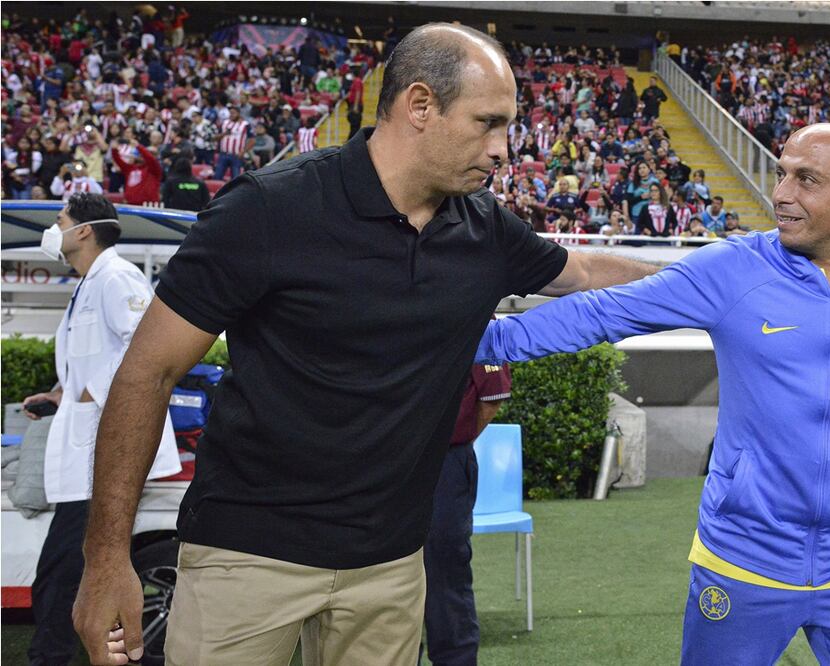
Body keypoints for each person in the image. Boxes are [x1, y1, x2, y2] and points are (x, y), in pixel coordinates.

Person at [72, 24, 659, 666]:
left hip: (391, 566)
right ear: (419, 106)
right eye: (487, 123)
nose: (502, 150)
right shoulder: (269, 210)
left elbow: (588, 274)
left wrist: (732, 272)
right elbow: (145, 374)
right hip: (247, 556)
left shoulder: (484, 228)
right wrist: (106, 558)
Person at [477, 123, 830, 666]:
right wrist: (478, 343)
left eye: (806, 180)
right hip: (742, 559)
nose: (782, 193)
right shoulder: (734, 269)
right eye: (782, 173)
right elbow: (604, 312)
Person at [22, 193, 181, 666]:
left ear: (84, 231)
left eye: (59, 221)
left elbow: (147, 343)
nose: (54, 230)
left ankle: (48, 658)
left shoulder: (117, 275)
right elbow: (92, 354)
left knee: (62, 572)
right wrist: (60, 392)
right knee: (69, 570)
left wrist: (92, 390)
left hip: (106, 448)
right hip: (85, 446)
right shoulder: (89, 281)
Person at [422, 361, 511, 665]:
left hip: (443, 463)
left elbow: (492, 397)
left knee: (444, 573)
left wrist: (453, 440)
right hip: (386, 462)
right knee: (383, 573)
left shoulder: (470, 313)